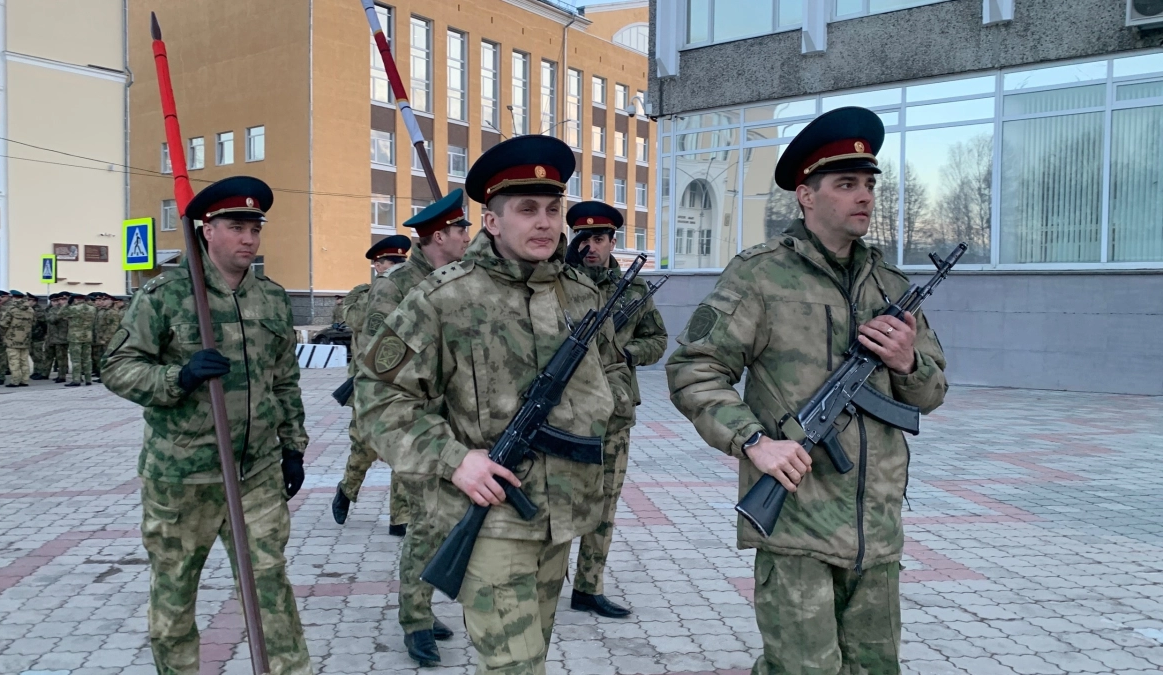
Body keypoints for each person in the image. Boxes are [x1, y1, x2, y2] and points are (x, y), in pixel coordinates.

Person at [666, 107, 949, 675]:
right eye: (846, 184)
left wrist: (907, 360)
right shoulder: (759, 276)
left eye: (869, 184)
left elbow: (931, 391)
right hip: (796, 526)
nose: (863, 196)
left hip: (877, 533)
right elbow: (694, 369)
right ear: (806, 194)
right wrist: (753, 442)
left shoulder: (890, 286)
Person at [355, 135, 633, 675]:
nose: (546, 222)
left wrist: (609, 402)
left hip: (561, 520)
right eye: (527, 209)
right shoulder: (445, 297)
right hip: (489, 521)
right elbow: (377, 397)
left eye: (554, 209)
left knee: (533, 659)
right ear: (491, 221)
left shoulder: (581, 294)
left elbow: (613, 369)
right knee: (514, 667)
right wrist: (454, 458)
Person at [102, 176, 312, 675]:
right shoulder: (168, 294)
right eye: (236, 227)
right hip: (183, 478)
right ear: (207, 230)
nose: (248, 239)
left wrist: (293, 446)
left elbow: (285, 378)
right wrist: (180, 377)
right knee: (175, 593)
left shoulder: (271, 297)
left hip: (255, 472)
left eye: (254, 228)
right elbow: (116, 367)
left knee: (270, 589)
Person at [348, 189, 472, 666]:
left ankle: (425, 605)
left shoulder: (457, 279)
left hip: (457, 421)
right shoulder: (395, 287)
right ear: (440, 236)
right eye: (462, 230)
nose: (468, 237)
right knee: (426, 523)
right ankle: (415, 619)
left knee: (446, 521)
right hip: (419, 421)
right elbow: (378, 361)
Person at [564, 201, 668, 619]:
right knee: (559, 499)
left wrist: (626, 352)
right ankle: (541, 581)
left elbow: (657, 340)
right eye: (583, 238)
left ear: (612, 242)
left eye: (600, 238)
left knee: (605, 502)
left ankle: (588, 587)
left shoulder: (634, 290)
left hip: (615, 410)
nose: (591, 246)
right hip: (565, 412)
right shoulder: (557, 285)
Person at [333, 233, 412, 532]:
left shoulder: (409, 291)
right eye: (385, 266)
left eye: (393, 266)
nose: (387, 271)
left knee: (402, 449)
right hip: (366, 385)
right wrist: (369, 294)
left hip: (401, 383)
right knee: (363, 447)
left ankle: (400, 518)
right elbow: (356, 320)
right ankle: (346, 490)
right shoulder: (364, 294)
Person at [0, 290, 34, 387]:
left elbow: (3, 323)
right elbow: (33, 323)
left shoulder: (12, 309)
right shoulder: (30, 310)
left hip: (12, 339)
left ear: (13, 297)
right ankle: (25, 380)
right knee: (24, 360)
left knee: (14, 360)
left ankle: (15, 381)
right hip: (26, 339)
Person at [62, 293, 96, 387]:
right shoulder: (92, 309)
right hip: (87, 337)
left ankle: (76, 380)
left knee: (76, 359)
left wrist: (68, 304)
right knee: (87, 359)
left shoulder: (73, 309)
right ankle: (88, 379)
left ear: (75, 300)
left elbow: (61, 313)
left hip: (75, 337)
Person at [92, 293, 120, 382]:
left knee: (109, 358)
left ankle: (110, 376)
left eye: (105, 300)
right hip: (100, 339)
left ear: (111, 301)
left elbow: (113, 327)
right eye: (102, 300)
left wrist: (106, 338)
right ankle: (103, 376)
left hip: (108, 340)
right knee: (101, 358)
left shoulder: (112, 312)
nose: (102, 302)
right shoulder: (102, 311)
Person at [47, 293, 70, 383]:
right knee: (60, 358)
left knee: (69, 358)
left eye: (65, 299)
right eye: (61, 299)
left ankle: (74, 376)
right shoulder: (54, 310)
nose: (63, 301)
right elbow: (51, 320)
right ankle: (61, 375)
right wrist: (60, 313)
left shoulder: (71, 309)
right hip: (58, 338)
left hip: (70, 336)